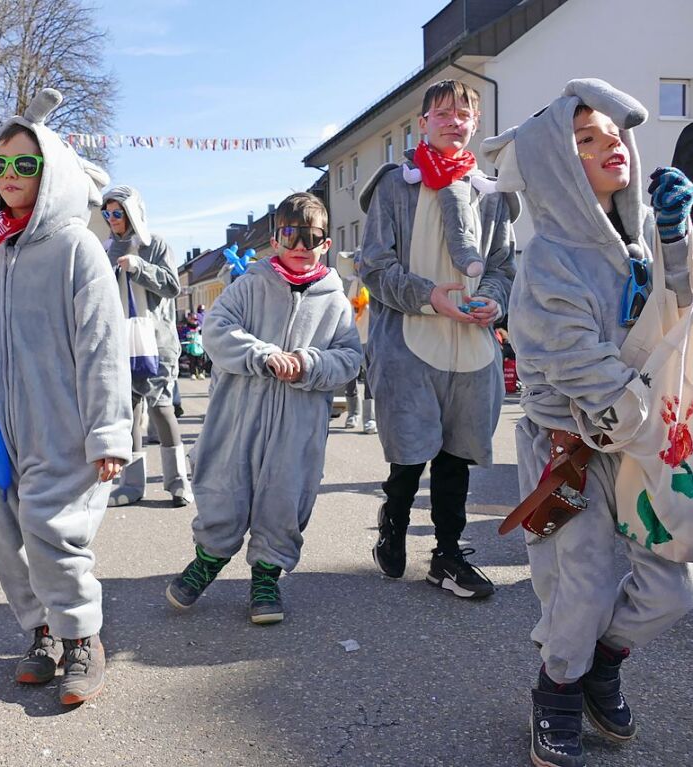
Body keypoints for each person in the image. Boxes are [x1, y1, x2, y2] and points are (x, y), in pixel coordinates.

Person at [483, 78, 693, 767]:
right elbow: (583, 371)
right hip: (569, 447)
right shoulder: (546, 259)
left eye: (612, 133)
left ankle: (600, 663)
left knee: (667, 584)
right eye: (584, 138)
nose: (610, 144)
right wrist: (653, 431)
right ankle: (558, 688)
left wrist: (676, 241)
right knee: (580, 583)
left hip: (638, 442)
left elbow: (678, 314)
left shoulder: (637, 240)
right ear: (552, 165)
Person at [0, 88, 131, 705]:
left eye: (25, 163)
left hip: (60, 422)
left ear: (51, 169)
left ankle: (81, 639)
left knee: (51, 527)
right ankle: (41, 630)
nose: (11, 176)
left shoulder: (77, 248)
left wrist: (108, 433)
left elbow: (103, 347)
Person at [166, 192, 361, 624]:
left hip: (299, 426)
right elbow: (217, 331)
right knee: (224, 490)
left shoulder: (335, 300)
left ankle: (267, 577)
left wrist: (309, 364)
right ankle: (208, 560)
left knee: (285, 499)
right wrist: (262, 355)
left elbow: (350, 359)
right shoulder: (248, 285)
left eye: (310, 237)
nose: (299, 245)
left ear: (325, 244)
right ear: (274, 239)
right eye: (290, 234)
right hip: (238, 418)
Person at [359, 79, 517, 599]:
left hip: (470, 345)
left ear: (475, 124)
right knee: (409, 454)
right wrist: (431, 297)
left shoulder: (490, 192)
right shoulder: (395, 185)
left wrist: (494, 298)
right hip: (411, 340)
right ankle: (395, 520)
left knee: (456, 457)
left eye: (464, 113)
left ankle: (447, 555)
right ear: (422, 122)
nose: (454, 120)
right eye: (442, 112)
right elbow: (374, 266)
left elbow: (502, 264)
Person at [101, 185, 193, 508]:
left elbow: (172, 286)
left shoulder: (155, 245)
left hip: (157, 344)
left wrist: (138, 267)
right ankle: (132, 485)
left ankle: (179, 482)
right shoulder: (104, 248)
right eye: (107, 213)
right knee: (130, 414)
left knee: (161, 408)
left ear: (131, 213)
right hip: (119, 346)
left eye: (118, 212)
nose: (112, 219)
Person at [343, 252, 376, 433]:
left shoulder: (373, 282)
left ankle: (369, 418)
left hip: (370, 335)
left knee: (370, 376)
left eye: (361, 262)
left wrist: (367, 306)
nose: (358, 265)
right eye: (357, 262)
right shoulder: (352, 281)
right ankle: (353, 414)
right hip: (352, 334)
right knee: (351, 376)